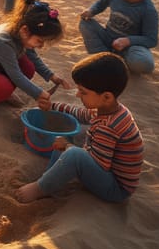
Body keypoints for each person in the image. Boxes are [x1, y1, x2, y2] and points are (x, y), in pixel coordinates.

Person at [17, 53, 144, 204]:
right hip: (106, 170)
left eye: (83, 92)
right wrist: (52, 106)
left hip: (115, 188)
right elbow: (81, 114)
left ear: (107, 97)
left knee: (73, 154)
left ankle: (40, 189)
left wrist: (68, 147)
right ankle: (48, 179)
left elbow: (100, 163)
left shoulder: (109, 127)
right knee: (66, 146)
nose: (77, 95)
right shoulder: (108, 108)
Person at [0, 0, 69, 119]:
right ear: (25, 31)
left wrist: (52, 76)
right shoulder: (4, 43)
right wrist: (39, 94)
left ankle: (3, 94)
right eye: (40, 41)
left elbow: (33, 59)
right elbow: (15, 75)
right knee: (4, 86)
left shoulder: (21, 33)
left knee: (28, 68)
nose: (41, 46)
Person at [79, 0, 159, 75]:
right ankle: (101, 57)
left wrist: (127, 41)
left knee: (145, 64)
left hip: (129, 49)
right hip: (107, 38)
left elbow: (151, 40)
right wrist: (91, 11)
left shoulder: (148, 11)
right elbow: (100, 4)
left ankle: (118, 61)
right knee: (85, 24)